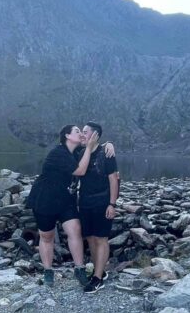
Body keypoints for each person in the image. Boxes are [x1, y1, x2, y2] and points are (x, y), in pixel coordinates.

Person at [25, 125, 100, 288]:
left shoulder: (77, 152)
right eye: (77, 131)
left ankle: (79, 269)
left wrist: (108, 145)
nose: (81, 134)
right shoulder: (58, 153)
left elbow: (95, 151)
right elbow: (80, 171)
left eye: (82, 132)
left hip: (66, 199)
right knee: (47, 236)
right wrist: (87, 147)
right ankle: (48, 271)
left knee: (75, 230)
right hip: (45, 199)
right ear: (67, 135)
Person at [77, 121, 119, 292]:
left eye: (85, 132)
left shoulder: (106, 153)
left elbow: (113, 179)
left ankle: (97, 278)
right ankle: (98, 271)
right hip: (85, 201)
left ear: (95, 135)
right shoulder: (80, 153)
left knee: (101, 238)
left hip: (102, 201)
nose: (82, 135)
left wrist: (112, 204)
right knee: (90, 238)